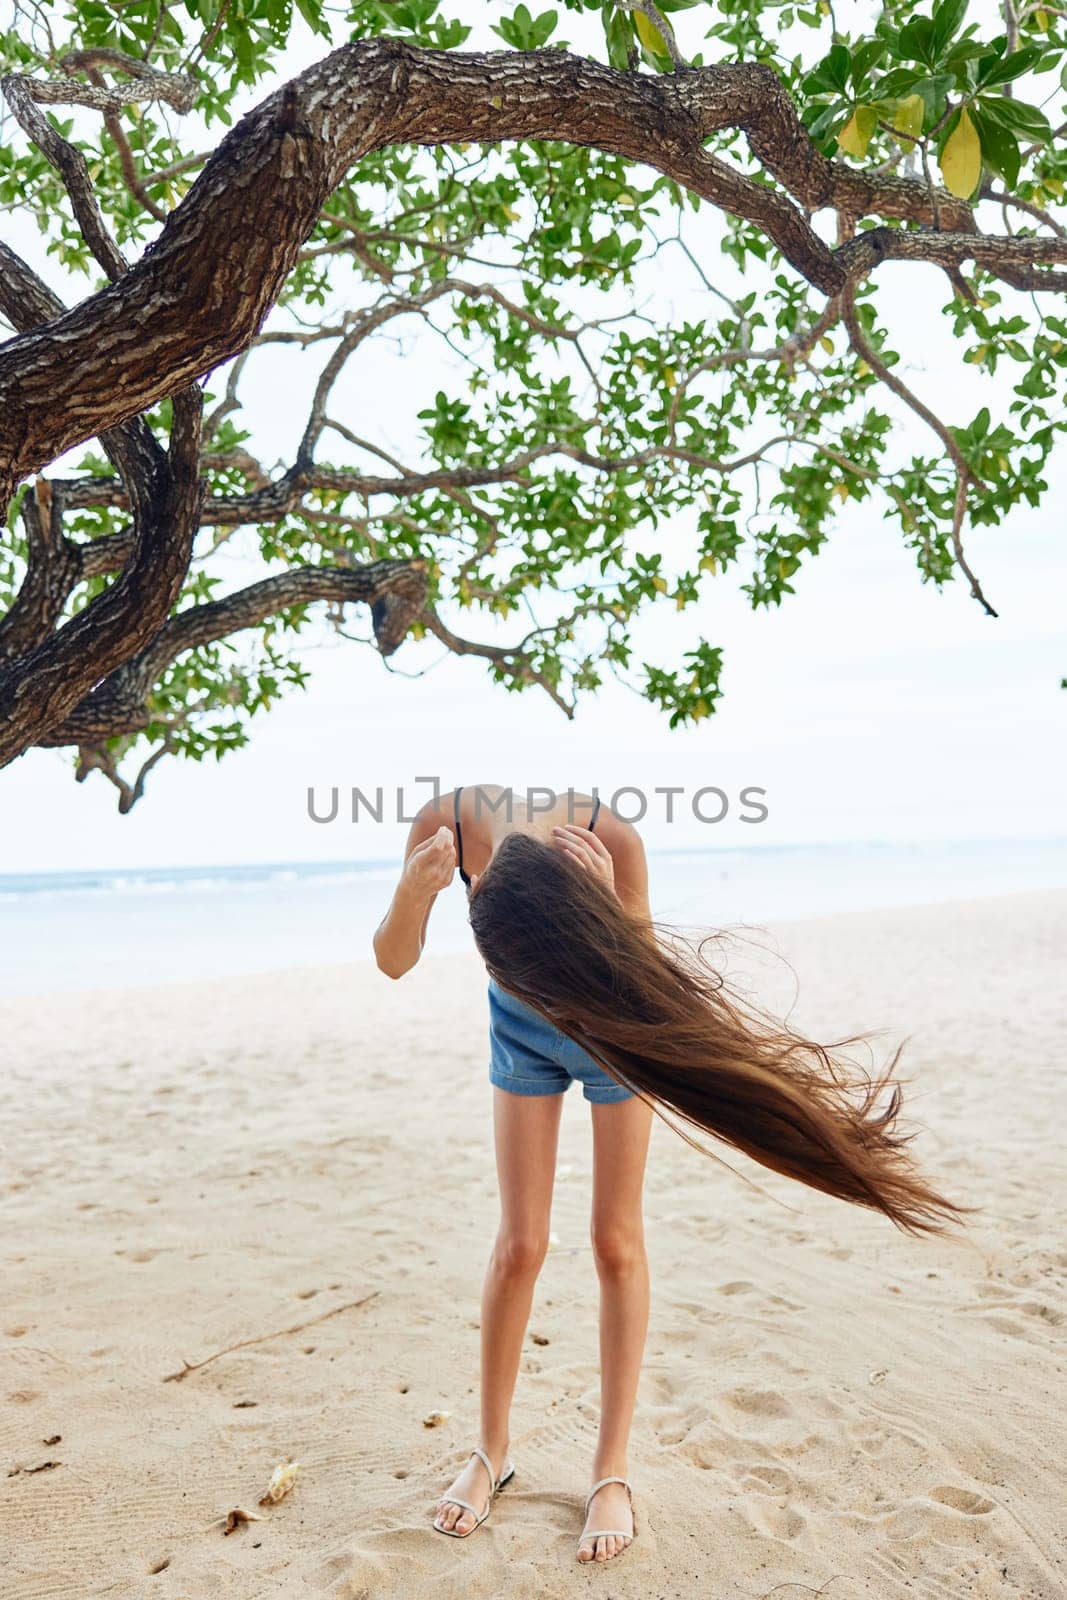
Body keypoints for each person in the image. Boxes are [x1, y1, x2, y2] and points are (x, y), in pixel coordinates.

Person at [372, 784, 963, 1565]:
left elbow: (644, 970)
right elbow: (392, 962)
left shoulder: (608, 834)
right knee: (519, 1245)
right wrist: (415, 893)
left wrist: (610, 907)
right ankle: (488, 1452)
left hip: (612, 1025)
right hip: (516, 1029)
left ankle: (609, 1470)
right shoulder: (443, 826)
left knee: (614, 1242)